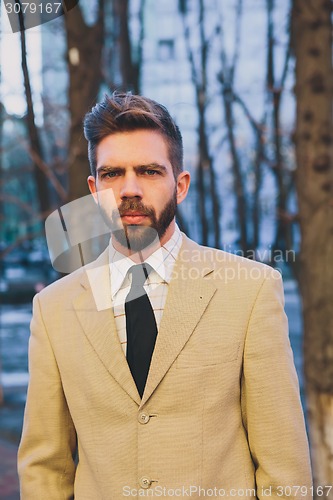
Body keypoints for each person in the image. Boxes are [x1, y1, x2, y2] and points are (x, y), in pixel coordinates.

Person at [18, 93, 312, 499]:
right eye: (112, 174)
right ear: (94, 188)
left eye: (150, 171)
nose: (129, 189)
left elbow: (285, 468)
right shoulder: (53, 309)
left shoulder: (250, 290)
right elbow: (45, 468)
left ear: (181, 184)